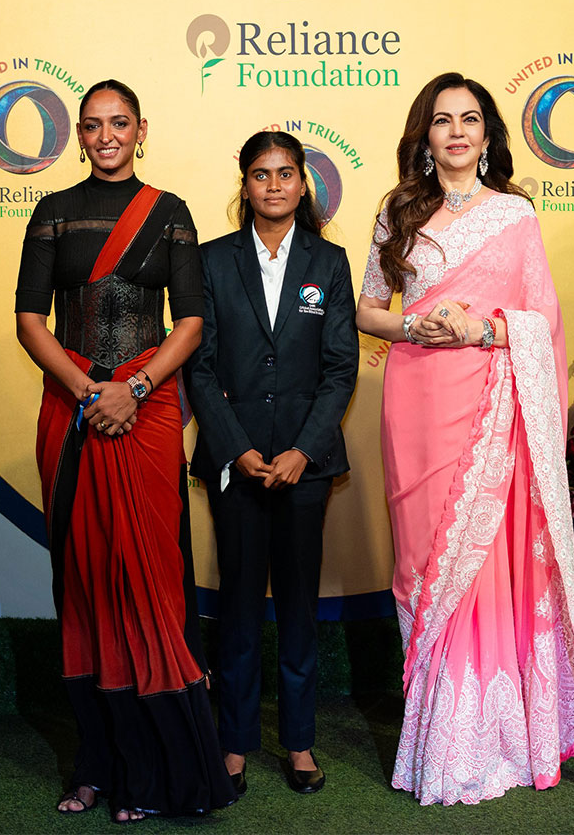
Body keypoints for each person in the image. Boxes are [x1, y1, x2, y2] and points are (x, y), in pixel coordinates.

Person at [355, 71, 574, 807]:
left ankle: (492, 740)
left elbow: (541, 320)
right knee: (422, 561)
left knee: (487, 561)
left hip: (492, 404)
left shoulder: (514, 216)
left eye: (470, 119)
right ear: (424, 135)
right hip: (414, 397)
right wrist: (416, 325)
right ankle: (432, 730)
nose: (457, 131)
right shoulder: (397, 212)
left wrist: (480, 329)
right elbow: (368, 309)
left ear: (488, 135)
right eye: (442, 120)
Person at [15, 79, 234, 822]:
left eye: (119, 123)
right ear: (79, 134)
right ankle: (94, 767)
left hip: (144, 412)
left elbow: (192, 323)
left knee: (145, 580)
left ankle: (154, 773)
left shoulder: (169, 213)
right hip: (72, 411)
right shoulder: (51, 211)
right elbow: (29, 321)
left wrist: (131, 391)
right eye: (92, 125)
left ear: (143, 128)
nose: (106, 135)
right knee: (83, 579)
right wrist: (86, 391)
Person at [185, 131, 359, 798]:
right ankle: (232, 743)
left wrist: (300, 452)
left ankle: (300, 742)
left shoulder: (331, 263)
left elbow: (341, 367)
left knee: (296, 607)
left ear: (303, 182)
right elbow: (199, 366)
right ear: (245, 183)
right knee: (236, 608)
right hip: (238, 463)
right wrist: (240, 448)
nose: (275, 185)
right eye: (262, 174)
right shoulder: (211, 261)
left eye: (287, 174)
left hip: (305, 468)